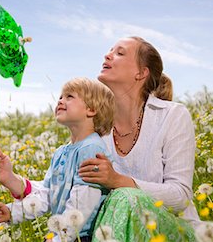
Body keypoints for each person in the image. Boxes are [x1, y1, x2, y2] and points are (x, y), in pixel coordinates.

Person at [76, 36, 200, 241]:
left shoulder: (173, 116)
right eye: (110, 50)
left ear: (141, 73)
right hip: (113, 230)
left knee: (125, 197)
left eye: (119, 53)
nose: (107, 55)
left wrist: (117, 180)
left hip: (173, 230)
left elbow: (180, 196)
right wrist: (12, 179)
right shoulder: (94, 125)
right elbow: (64, 179)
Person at [0, 77, 115, 242]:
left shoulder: (92, 149)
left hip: (80, 237)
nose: (60, 100)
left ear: (91, 109)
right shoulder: (61, 152)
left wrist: (59, 238)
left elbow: (82, 206)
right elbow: (46, 195)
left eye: (70, 97)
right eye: (61, 96)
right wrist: (13, 212)